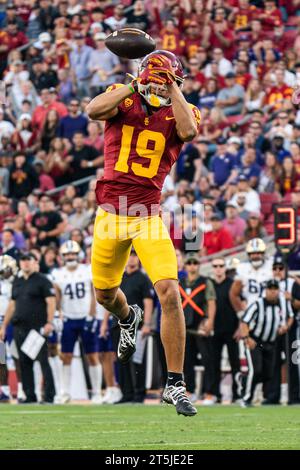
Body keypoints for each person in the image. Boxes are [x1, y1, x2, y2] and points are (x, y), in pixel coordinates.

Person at [86, 50, 200, 416]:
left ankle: (175, 384)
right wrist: (137, 82)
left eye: (169, 82)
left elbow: (189, 131)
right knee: (105, 295)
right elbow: (94, 110)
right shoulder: (125, 93)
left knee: (169, 291)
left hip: (147, 214)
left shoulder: (183, 109)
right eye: (157, 79)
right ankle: (127, 317)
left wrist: (172, 87)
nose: (160, 87)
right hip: (109, 214)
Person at [0, 253, 56, 404]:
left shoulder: (42, 280)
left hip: (37, 327)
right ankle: (30, 395)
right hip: (19, 327)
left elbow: (51, 302)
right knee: (24, 363)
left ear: (34, 262)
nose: (25, 263)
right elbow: (12, 305)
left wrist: (49, 322)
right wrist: (4, 325)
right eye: (23, 260)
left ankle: (49, 395)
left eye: (28, 260)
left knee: (42, 360)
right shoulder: (17, 281)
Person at [51, 241, 102, 404]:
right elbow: (57, 297)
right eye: (67, 254)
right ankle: (65, 392)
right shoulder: (58, 274)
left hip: (85, 317)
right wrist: (57, 314)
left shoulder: (87, 270)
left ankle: (97, 392)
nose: (70, 257)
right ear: (62, 257)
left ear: (78, 255)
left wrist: (92, 315)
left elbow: (94, 294)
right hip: (68, 319)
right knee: (66, 356)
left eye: (73, 254)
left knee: (92, 356)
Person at [239, 279, 294, 408]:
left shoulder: (283, 303)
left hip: (270, 343)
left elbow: (290, 316)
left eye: (275, 289)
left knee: (268, 373)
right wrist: (247, 338)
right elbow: (244, 321)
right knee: (255, 370)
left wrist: (286, 326)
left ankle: (244, 381)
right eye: (270, 289)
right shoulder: (257, 304)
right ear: (266, 290)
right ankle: (246, 398)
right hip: (256, 341)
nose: (273, 291)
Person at [109, 250, 154, 403]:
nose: (131, 259)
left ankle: (139, 394)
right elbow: (110, 301)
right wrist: (104, 323)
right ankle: (126, 394)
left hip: (137, 325)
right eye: (129, 255)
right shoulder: (119, 278)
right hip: (118, 324)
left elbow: (148, 302)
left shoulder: (143, 278)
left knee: (137, 361)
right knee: (122, 360)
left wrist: (147, 324)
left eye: (134, 256)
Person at [179, 253, 216, 404]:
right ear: (185, 266)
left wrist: (210, 321)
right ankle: (190, 391)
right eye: (189, 263)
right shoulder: (180, 282)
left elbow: (211, 302)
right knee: (187, 361)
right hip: (185, 326)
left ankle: (210, 392)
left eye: (195, 263)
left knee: (208, 360)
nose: (192, 266)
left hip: (200, 325)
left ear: (199, 265)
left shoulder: (205, 282)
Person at [210, 257, 241, 403]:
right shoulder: (209, 285)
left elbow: (240, 305)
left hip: (231, 329)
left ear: (225, 268)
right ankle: (216, 394)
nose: (218, 268)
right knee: (213, 363)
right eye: (215, 266)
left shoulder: (232, 284)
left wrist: (240, 326)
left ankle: (236, 394)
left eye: (221, 266)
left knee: (235, 363)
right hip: (215, 330)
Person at [230, 238, 273, 316]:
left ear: (263, 253)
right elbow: (233, 293)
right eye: (252, 253)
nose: (255, 256)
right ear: (248, 254)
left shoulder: (271, 266)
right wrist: (240, 311)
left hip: (270, 310)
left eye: (258, 253)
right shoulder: (242, 268)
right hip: (250, 311)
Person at [0, 255, 18, 402]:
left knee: (18, 356)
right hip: (1, 322)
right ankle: (5, 391)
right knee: (1, 358)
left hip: (14, 322)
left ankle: (23, 388)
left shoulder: (17, 283)